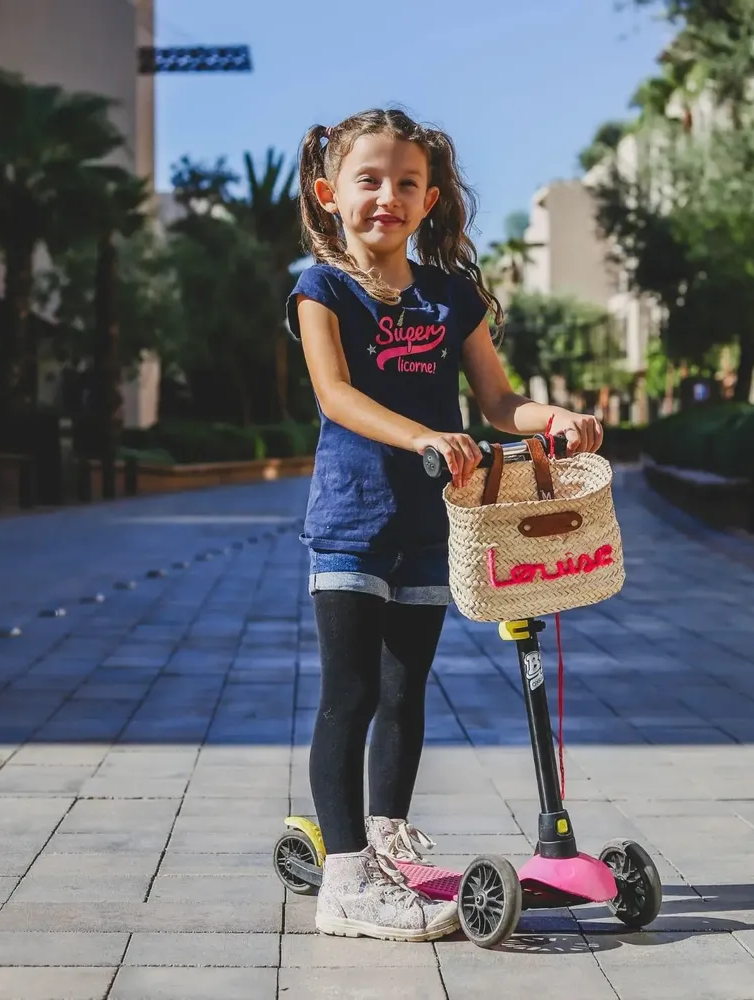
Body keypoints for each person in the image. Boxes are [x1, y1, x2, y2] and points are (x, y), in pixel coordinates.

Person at [288, 108, 603, 942]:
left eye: (406, 183)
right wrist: (423, 432)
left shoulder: (450, 295)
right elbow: (336, 395)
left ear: (429, 201)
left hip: (437, 522)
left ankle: (386, 838)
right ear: (330, 194)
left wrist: (552, 418)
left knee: (404, 693)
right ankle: (347, 879)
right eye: (369, 179)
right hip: (353, 521)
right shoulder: (321, 288)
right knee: (348, 696)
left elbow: (498, 402)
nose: (387, 195)